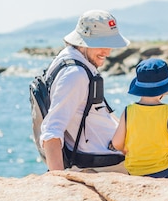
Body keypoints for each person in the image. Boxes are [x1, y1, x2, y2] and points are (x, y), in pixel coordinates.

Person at [40, 9, 130, 173]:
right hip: (105, 160)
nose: (108, 52)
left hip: (107, 149)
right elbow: (52, 130)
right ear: (83, 41)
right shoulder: (75, 74)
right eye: (101, 43)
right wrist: (58, 182)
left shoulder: (69, 57)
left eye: (109, 44)